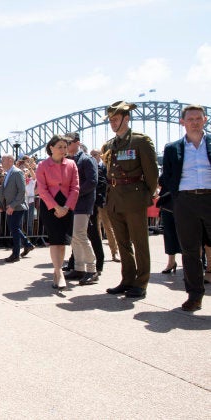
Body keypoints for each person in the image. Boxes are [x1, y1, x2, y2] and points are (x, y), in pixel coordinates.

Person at [102, 101, 159, 299]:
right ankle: (127, 279)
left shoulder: (140, 141)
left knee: (140, 242)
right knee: (123, 243)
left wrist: (146, 195)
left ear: (126, 119)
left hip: (134, 199)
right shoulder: (110, 145)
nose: (112, 123)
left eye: (115, 119)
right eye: (110, 120)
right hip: (115, 199)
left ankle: (141, 282)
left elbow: (152, 174)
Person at [159, 104, 210, 311]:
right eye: (190, 119)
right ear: (182, 122)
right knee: (189, 251)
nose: (195, 122)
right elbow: (166, 176)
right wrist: (177, 194)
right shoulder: (173, 148)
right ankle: (194, 295)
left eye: (198, 118)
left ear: (205, 120)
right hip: (186, 202)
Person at [35, 135, 79, 290]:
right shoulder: (42, 165)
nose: (63, 150)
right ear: (51, 148)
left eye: (65, 147)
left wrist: (66, 207)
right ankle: (58, 271)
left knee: (63, 241)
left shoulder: (72, 164)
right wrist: (56, 207)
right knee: (55, 240)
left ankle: (58, 269)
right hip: (50, 207)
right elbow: (42, 189)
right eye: (60, 146)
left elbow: (75, 188)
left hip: (67, 205)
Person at [63, 133, 99, 285]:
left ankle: (92, 269)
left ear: (77, 143)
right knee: (75, 236)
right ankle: (79, 268)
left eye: (68, 143)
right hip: (72, 203)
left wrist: (74, 194)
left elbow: (92, 181)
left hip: (83, 203)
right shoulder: (69, 160)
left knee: (80, 235)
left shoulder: (87, 159)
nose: (66, 146)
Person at [0, 154, 35, 262]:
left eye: (3, 160)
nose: (1, 162)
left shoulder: (17, 172)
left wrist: (12, 206)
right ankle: (27, 245)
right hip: (9, 206)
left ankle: (16, 254)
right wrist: (2, 204)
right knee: (14, 229)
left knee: (14, 229)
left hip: (17, 207)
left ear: (10, 160)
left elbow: (21, 191)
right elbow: (5, 190)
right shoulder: (8, 173)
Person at [91, 149, 120, 262]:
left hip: (104, 201)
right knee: (95, 228)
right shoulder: (90, 166)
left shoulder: (105, 167)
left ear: (100, 155)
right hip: (93, 201)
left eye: (95, 154)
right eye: (92, 154)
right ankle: (98, 253)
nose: (93, 156)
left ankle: (114, 252)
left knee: (108, 227)